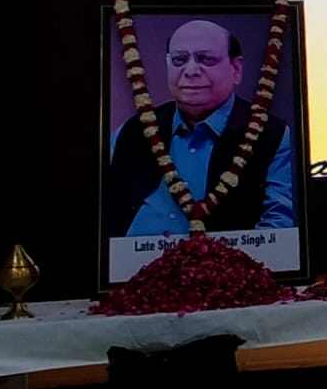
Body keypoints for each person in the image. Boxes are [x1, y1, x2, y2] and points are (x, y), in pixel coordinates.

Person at [105, 19, 296, 237]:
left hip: (225, 257)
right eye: (179, 59)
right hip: (131, 256)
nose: (191, 70)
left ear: (236, 69)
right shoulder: (131, 131)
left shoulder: (270, 134)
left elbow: (278, 227)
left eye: (206, 59)